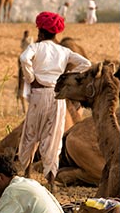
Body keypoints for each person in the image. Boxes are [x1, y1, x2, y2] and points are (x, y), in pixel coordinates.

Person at [18, 12, 91, 191]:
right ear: (55, 33)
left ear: (41, 33)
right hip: (57, 97)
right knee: (54, 138)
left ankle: (26, 174)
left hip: (38, 94)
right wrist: (66, 77)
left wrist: (31, 77)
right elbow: (86, 64)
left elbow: (23, 58)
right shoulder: (64, 51)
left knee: (31, 134)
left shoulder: (36, 47)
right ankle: (50, 182)